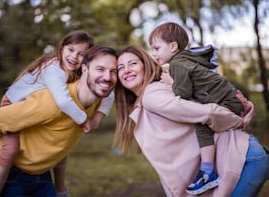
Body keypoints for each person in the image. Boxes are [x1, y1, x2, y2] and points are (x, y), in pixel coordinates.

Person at [114, 45, 269, 196]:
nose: (126, 70)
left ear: (145, 65)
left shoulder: (152, 96)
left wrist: (239, 121)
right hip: (236, 160)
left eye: (132, 63)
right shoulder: (145, 100)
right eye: (120, 67)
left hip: (243, 160)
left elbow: (206, 112)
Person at [0, 30, 115, 197]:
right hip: (12, 103)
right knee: (10, 149)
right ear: (61, 48)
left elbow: (110, 94)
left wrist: (97, 117)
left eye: (81, 54)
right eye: (70, 50)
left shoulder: (80, 78)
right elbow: (62, 102)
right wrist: (84, 120)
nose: (74, 57)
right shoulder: (54, 70)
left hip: (40, 171)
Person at [148, 22, 252, 195]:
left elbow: (183, 93)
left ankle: (207, 171)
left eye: (157, 48)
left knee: (202, 125)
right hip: (229, 97)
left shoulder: (177, 64)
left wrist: (170, 82)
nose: (154, 53)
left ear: (173, 46)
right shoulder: (185, 59)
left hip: (227, 101)